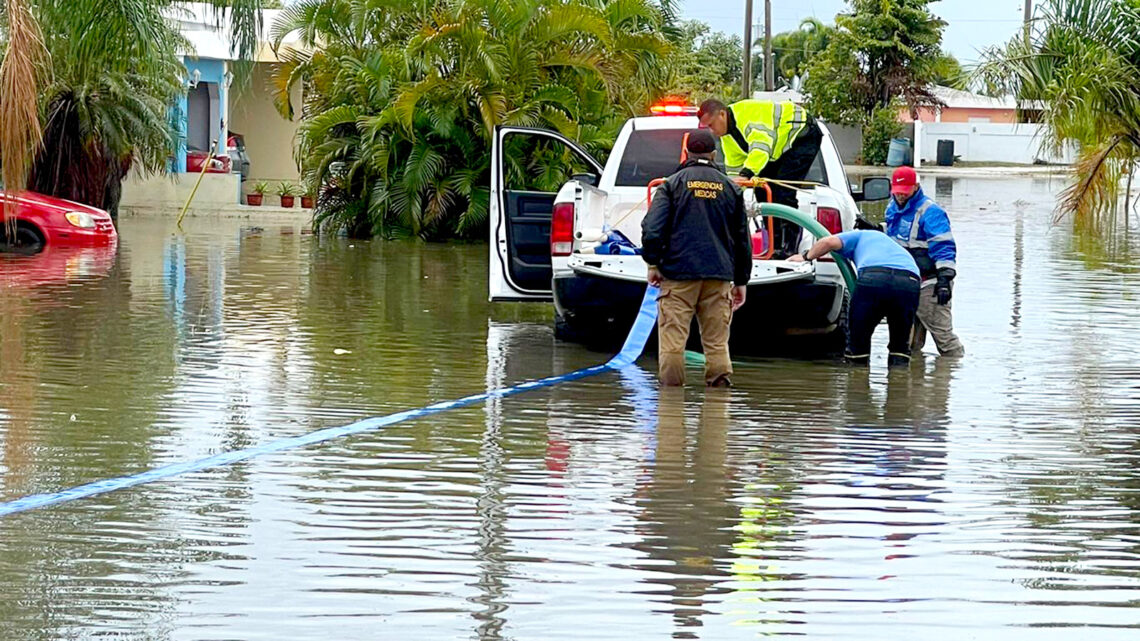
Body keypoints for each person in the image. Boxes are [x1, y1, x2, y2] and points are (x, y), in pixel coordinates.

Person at [642, 129, 751, 387]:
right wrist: (741, 280)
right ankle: (719, 404)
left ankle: (670, 406)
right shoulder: (731, 189)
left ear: (686, 152)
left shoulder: (671, 185)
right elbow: (742, 239)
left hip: (678, 275)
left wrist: (653, 263)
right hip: (719, 276)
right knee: (716, 342)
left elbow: (652, 230)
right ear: (714, 154)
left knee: (672, 340)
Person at [697, 98, 822, 256]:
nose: (711, 131)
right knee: (762, 192)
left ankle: (789, 247)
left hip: (802, 135)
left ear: (722, 114)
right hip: (777, 150)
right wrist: (730, 192)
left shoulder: (748, 115)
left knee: (783, 193)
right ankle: (775, 246)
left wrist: (745, 175)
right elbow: (735, 169)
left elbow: (760, 148)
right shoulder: (728, 139)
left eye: (711, 125)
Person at [790, 230, 921, 367]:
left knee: (858, 342)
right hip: (909, 281)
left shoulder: (859, 235)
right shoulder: (890, 245)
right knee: (900, 345)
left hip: (874, 278)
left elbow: (828, 242)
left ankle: (857, 380)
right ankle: (900, 381)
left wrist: (805, 257)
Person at [885, 166, 965, 357]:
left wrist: (944, 280)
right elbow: (895, 239)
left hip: (931, 283)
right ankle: (913, 381)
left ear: (916, 187)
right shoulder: (892, 208)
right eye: (897, 193)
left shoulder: (931, 212)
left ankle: (952, 370)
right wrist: (874, 230)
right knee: (909, 342)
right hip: (908, 282)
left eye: (905, 193)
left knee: (944, 338)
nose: (901, 197)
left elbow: (944, 246)